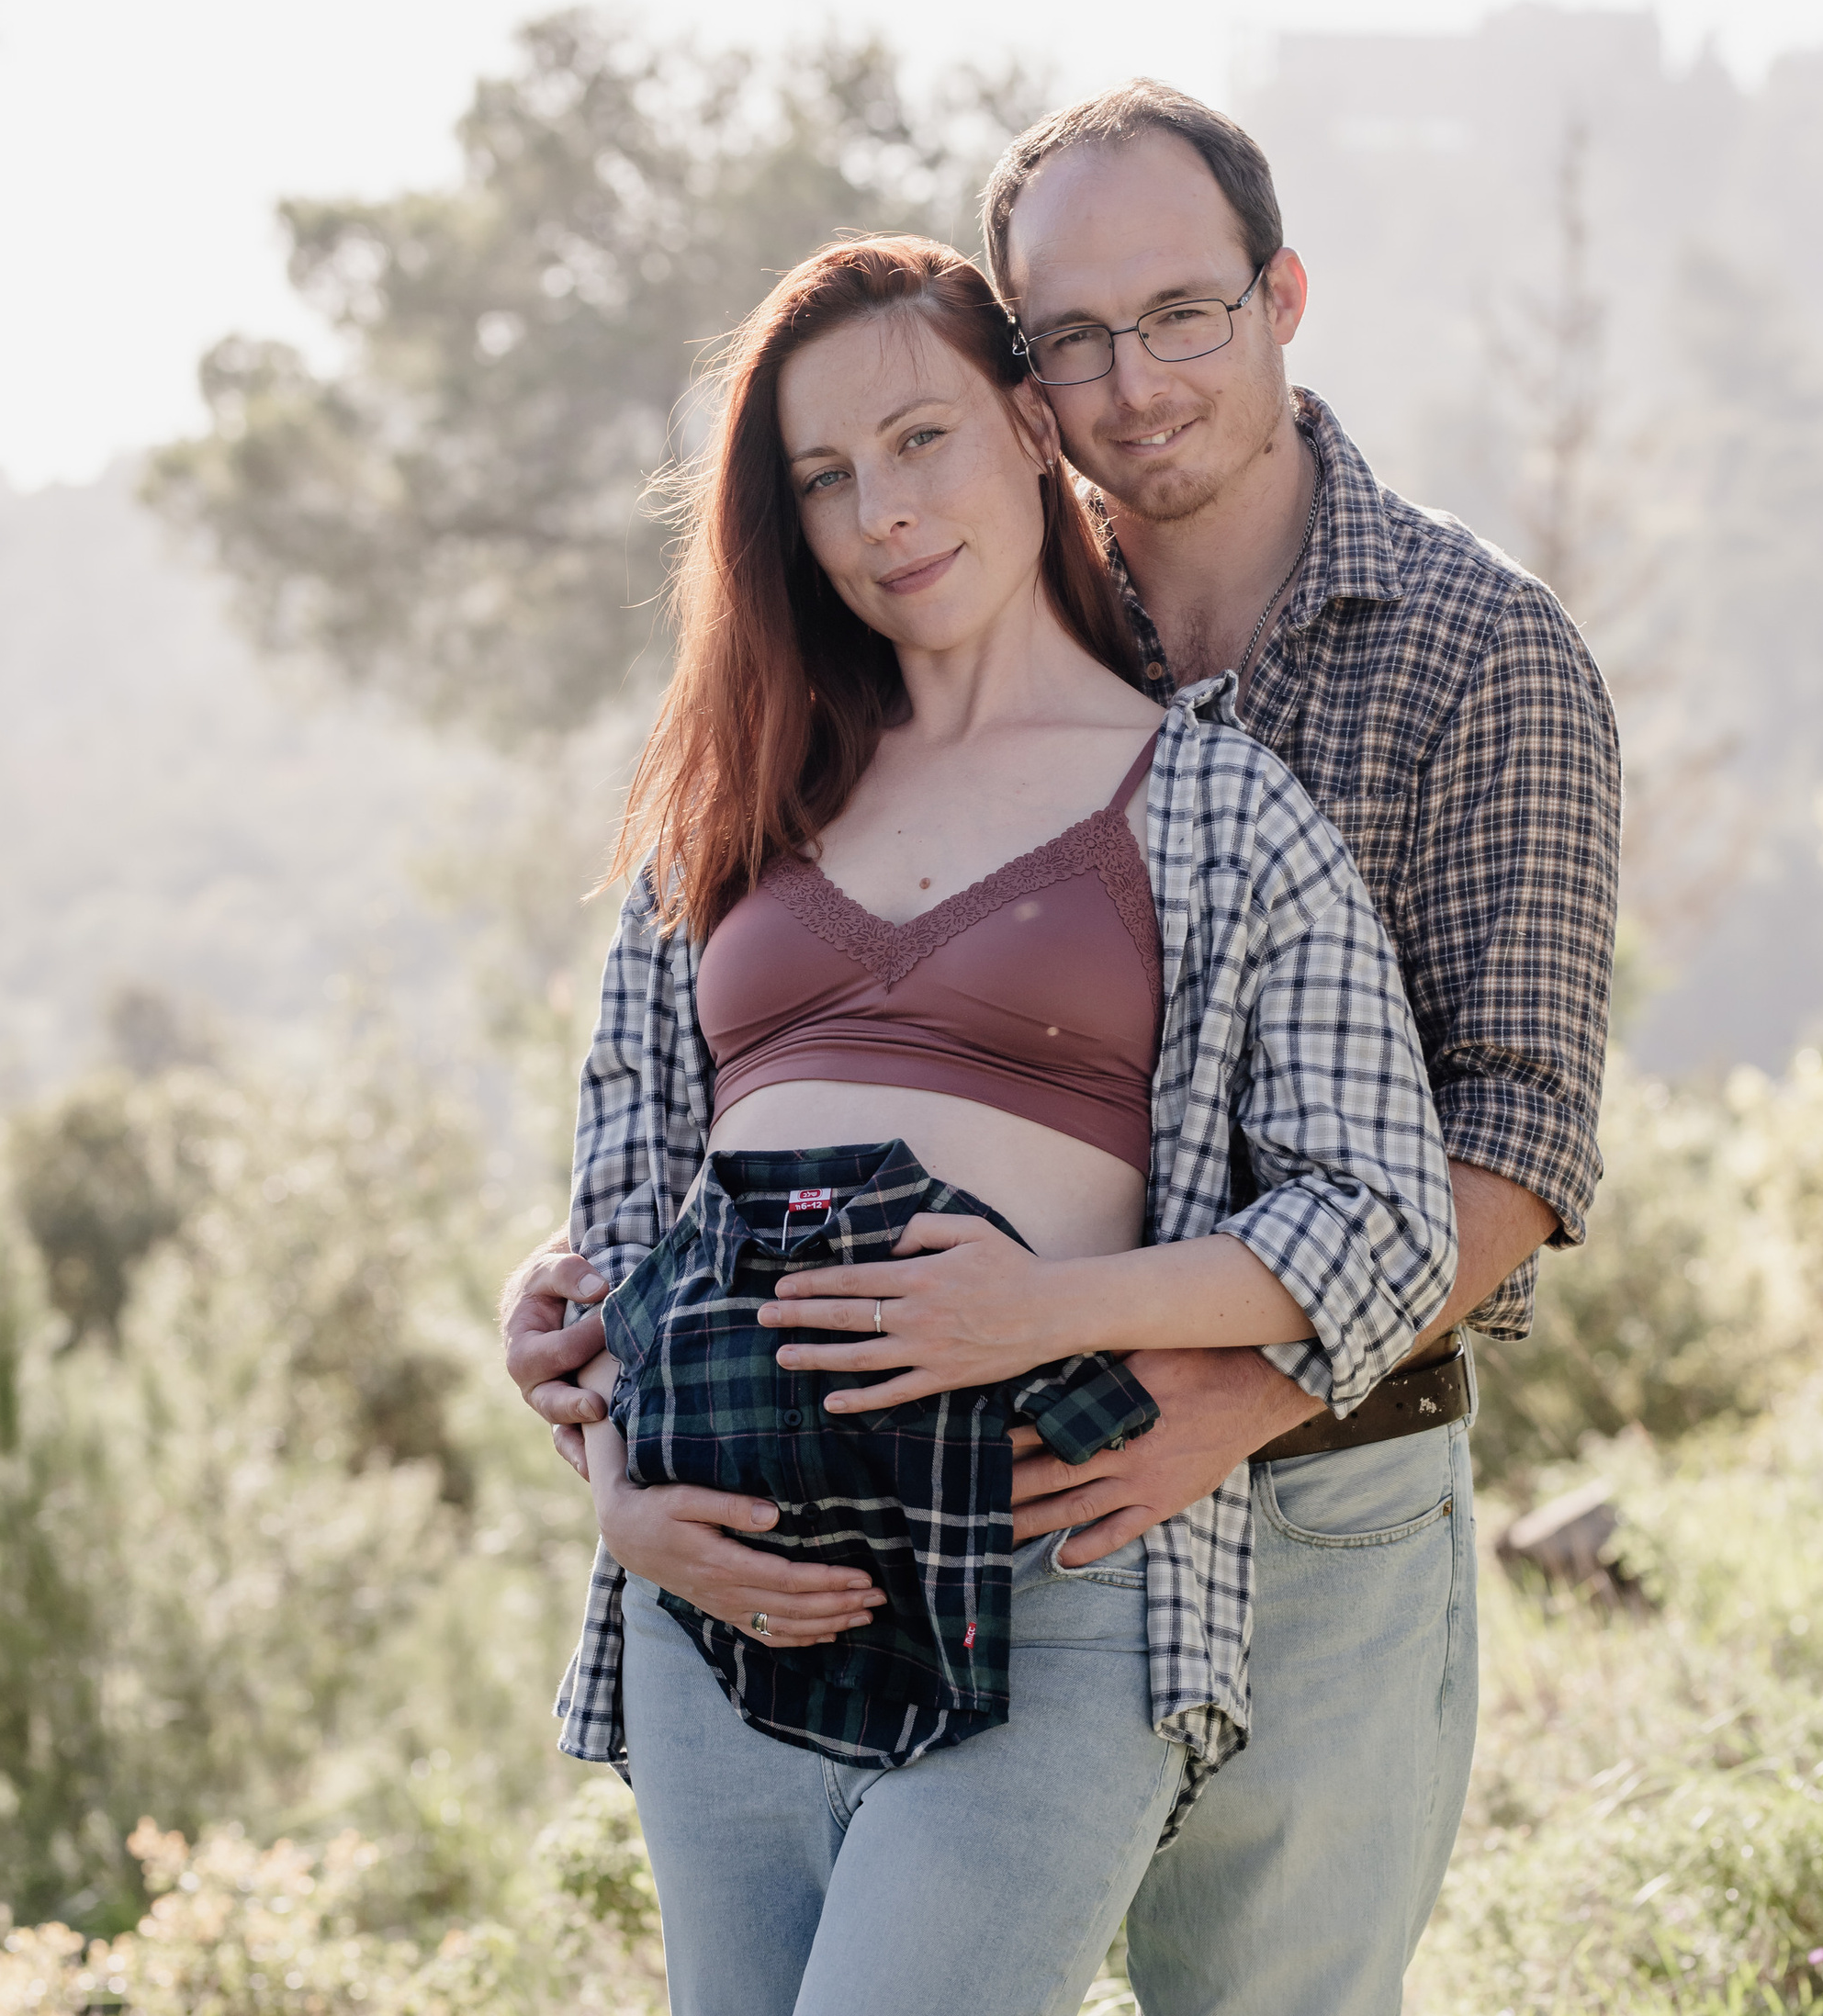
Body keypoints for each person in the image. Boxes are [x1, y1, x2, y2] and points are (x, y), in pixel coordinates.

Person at [540, 234, 1457, 2016]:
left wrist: (1043, 1306)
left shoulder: (1211, 801)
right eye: (822, 476)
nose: (880, 508)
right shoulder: (729, 807)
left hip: (1045, 1575)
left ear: (1028, 428)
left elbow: (1387, 1216)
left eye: (918, 438)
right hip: (713, 1588)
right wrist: (616, 1501)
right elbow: (615, 1228)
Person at [970, 84, 1624, 2016]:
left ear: (1280, 298)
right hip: (993, 1475)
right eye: (1070, 338)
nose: (1131, 380)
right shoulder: (979, 642)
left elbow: (1513, 1132)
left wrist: (1236, 1395)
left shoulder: (1477, 646)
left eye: (1179, 312)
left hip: (1326, 1490)